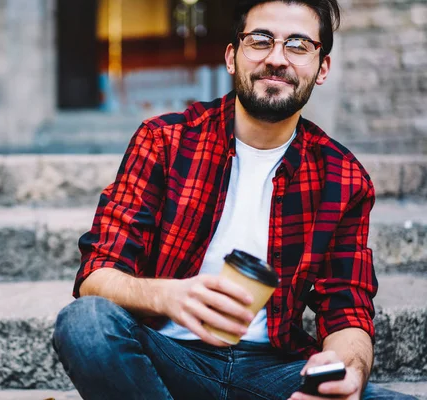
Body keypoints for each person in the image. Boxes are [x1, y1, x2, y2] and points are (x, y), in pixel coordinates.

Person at [53, 1, 416, 399]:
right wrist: (169, 296)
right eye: (260, 40)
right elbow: (97, 275)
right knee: (85, 323)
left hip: (273, 371)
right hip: (168, 357)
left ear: (322, 68)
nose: (276, 59)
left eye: (298, 46)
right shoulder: (165, 142)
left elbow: (348, 309)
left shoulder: (343, 176)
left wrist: (343, 373)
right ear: (232, 57)